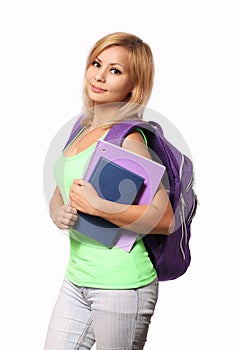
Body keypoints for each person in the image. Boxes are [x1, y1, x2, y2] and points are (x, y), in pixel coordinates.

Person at [44, 32, 174, 350]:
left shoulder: (128, 140)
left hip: (121, 285)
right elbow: (63, 188)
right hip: (77, 278)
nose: (100, 75)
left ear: (133, 85)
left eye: (115, 70)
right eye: (96, 63)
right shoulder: (81, 129)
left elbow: (165, 219)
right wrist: (57, 210)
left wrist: (98, 206)